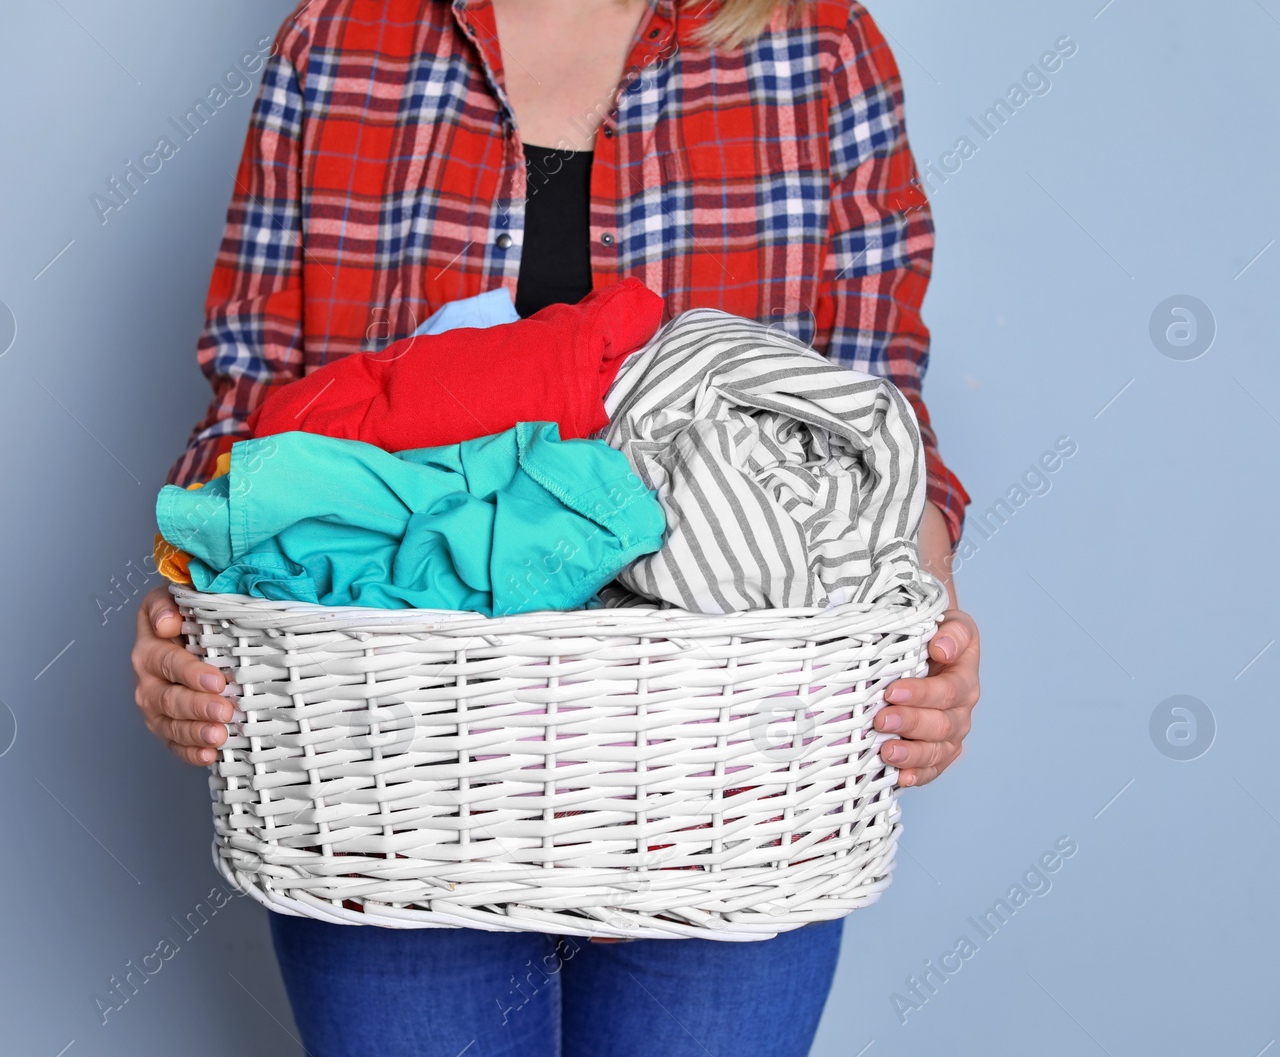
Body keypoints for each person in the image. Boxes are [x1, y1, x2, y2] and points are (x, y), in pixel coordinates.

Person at [130, 1, 981, 1053]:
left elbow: (875, 430)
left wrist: (928, 631)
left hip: (722, 777)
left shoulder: (817, 48)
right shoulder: (343, 38)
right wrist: (184, 616)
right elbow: (249, 412)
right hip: (395, 781)